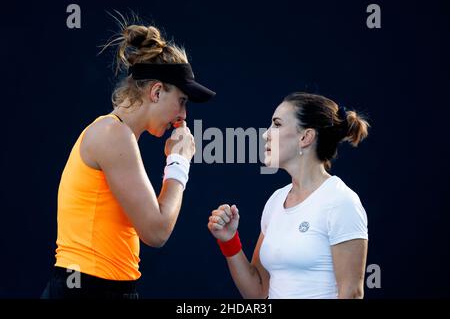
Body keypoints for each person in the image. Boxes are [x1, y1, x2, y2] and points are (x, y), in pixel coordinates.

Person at [41, 22, 215, 299]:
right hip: (86, 291)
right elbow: (156, 232)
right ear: (156, 92)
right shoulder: (113, 134)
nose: (183, 115)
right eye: (181, 101)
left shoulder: (118, 134)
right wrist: (179, 162)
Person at [208, 92, 369, 299]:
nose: (266, 134)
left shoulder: (341, 202)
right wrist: (229, 240)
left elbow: (352, 293)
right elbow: (257, 292)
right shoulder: (276, 200)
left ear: (305, 137)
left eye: (277, 124)